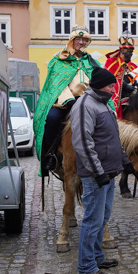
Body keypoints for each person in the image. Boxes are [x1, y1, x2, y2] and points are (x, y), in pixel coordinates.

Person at [72, 67, 134, 274]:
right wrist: (97, 172)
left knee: (102, 218)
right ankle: (86, 267)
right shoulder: (85, 105)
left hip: (108, 173)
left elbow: (113, 138)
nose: (113, 89)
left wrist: (125, 162)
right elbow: (82, 142)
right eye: (110, 86)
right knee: (92, 220)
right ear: (99, 86)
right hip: (95, 175)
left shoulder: (103, 104)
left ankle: (96, 257)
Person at [34, 25, 100, 174]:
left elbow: (99, 84)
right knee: (51, 119)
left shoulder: (93, 63)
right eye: (78, 39)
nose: (81, 42)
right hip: (64, 103)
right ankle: (50, 155)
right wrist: (68, 100)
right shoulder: (58, 60)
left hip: (88, 102)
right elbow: (55, 84)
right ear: (72, 40)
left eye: (85, 40)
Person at [103, 33, 138, 118]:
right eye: (129, 53)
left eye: (131, 52)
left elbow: (137, 79)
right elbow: (107, 79)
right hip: (117, 96)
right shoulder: (111, 62)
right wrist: (124, 86)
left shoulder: (134, 66)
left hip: (132, 98)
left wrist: (137, 85)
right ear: (122, 51)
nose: (131, 54)